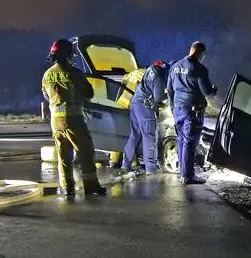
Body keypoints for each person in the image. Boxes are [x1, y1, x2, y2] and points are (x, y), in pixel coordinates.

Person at [42, 39, 106, 198]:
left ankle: (66, 188)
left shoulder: (47, 74)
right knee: (86, 152)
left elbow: (46, 95)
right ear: (67, 55)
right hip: (73, 120)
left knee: (63, 156)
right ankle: (91, 187)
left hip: (55, 122)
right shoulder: (75, 73)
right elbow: (88, 93)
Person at [167, 41, 218, 185]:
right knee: (190, 142)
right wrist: (214, 89)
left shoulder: (175, 66)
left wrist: (173, 106)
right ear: (201, 54)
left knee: (182, 140)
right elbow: (207, 92)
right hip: (192, 110)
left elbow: (170, 89)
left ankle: (184, 174)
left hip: (178, 109)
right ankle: (188, 176)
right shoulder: (199, 69)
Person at [120, 61, 170, 174]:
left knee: (134, 135)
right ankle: (151, 169)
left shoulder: (152, 69)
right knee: (149, 136)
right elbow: (159, 97)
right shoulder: (160, 75)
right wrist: (171, 94)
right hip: (144, 106)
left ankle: (125, 165)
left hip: (135, 103)